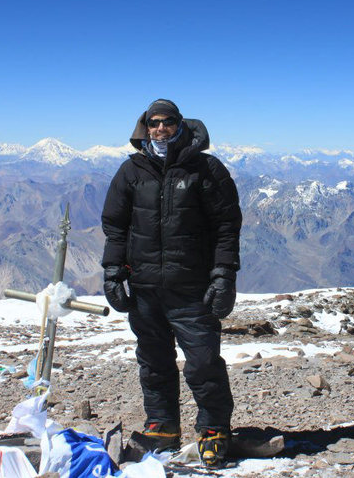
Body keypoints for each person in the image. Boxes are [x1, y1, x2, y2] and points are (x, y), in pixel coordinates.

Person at [100, 99, 242, 468]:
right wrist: (113, 271)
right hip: (145, 287)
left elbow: (227, 227)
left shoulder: (205, 168)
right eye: (154, 123)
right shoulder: (131, 171)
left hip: (192, 287)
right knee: (154, 359)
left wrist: (224, 275)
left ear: (181, 125)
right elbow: (115, 227)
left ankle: (214, 431)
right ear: (144, 128)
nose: (160, 129)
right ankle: (162, 426)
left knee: (202, 362)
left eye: (168, 122)